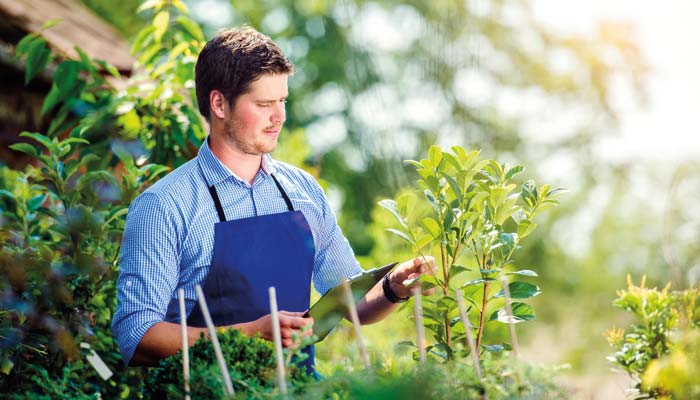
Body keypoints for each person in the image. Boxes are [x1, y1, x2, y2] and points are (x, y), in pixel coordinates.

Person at [111, 27, 435, 371]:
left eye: (282, 101)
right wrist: (248, 334)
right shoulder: (163, 206)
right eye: (264, 104)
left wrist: (393, 287)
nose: (279, 116)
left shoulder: (304, 191)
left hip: (296, 391)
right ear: (219, 104)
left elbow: (349, 302)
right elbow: (135, 335)